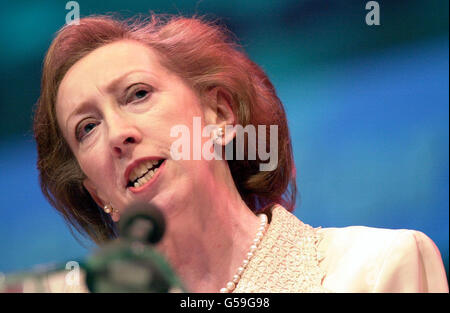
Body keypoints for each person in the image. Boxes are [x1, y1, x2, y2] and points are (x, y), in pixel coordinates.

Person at [33, 13, 448, 293]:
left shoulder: (377, 272)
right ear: (98, 194)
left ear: (219, 114)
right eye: (87, 128)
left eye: (138, 94)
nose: (117, 135)